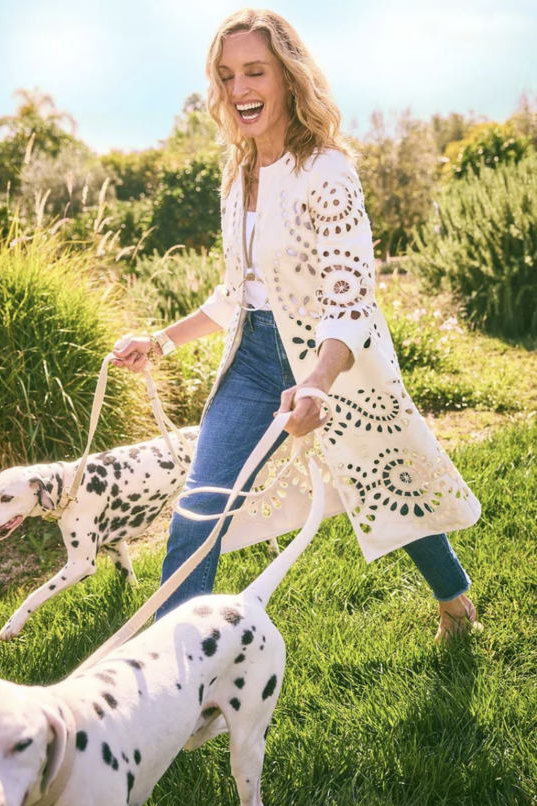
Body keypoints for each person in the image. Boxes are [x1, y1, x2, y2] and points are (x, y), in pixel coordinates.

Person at [112, 9, 482, 641]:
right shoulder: (237, 175)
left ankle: (454, 600)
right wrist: (160, 341)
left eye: (255, 71)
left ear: (287, 76)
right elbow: (239, 292)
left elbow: (351, 295)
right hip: (252, 362)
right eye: (227, 76)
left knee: (385, 482)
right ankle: (176, 676)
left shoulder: (327, 171)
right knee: (201, 508)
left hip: (336, 360)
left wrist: (316, 380)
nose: (239, 89)